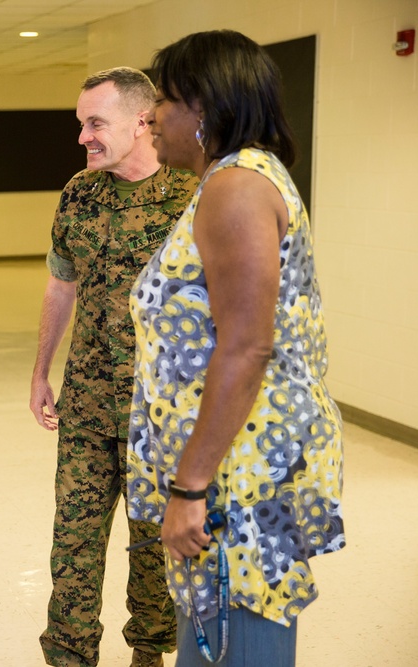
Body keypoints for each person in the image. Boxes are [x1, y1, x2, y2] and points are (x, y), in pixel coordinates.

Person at [127, 30, 345, 667]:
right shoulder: (229, 180)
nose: (150, 116)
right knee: (217, 638)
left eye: (163, 100)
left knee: (239, 642)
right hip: (233, 461)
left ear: (206, 109)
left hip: (240, 476)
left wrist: (190, 487)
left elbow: (247, 348)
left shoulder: (235, 188)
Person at [30, 67, 198, 667]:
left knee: (154, 547)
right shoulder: (80, 191)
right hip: (87, 402)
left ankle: (149, 654)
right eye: (81, 124)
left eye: (94, 124)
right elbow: (61, 283)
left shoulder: (192, 195)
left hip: (163, 411)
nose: (84, 137)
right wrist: (40, 370)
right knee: (72, 543)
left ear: (141, 121)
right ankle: (68, 657)